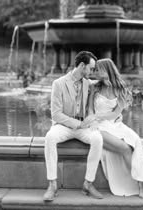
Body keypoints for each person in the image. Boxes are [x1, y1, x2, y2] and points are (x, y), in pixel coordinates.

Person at [86, 58, 143, 199]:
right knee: (125, 148)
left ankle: (142, 185)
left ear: (107, 70)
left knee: (135, 141)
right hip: (97, 126)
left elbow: (115, 113)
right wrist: (93, 119)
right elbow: (89, 109)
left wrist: (97, 116)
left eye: (97, 69)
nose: (95, 72)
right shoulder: (94, 87)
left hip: (114, 124)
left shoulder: (121, 89)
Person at [43, 51, 103, 202]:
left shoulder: (87, 83)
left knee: (97, 138)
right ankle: (52, 184)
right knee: (50, 137)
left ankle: (88, 184)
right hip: (64, 126)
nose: (93, 71)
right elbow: (56, 114)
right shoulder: (58, 83)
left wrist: (118, 110)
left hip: (83, 127)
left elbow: (106, 86)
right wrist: (78, 124)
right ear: (82, 65)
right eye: (91, 68)